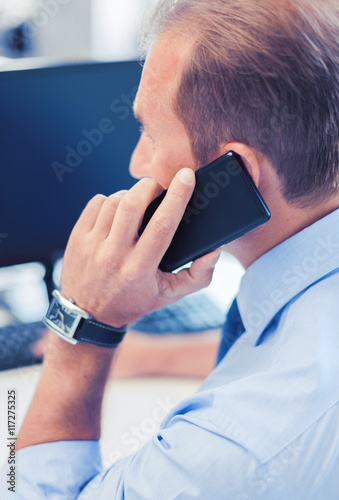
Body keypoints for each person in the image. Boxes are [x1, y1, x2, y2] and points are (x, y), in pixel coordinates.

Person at [2, 0, 339, 497]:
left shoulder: (233, 450)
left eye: (149, 133)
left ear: (231, 177)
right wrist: (161, 355)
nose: (138, 162)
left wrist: (84, 325)